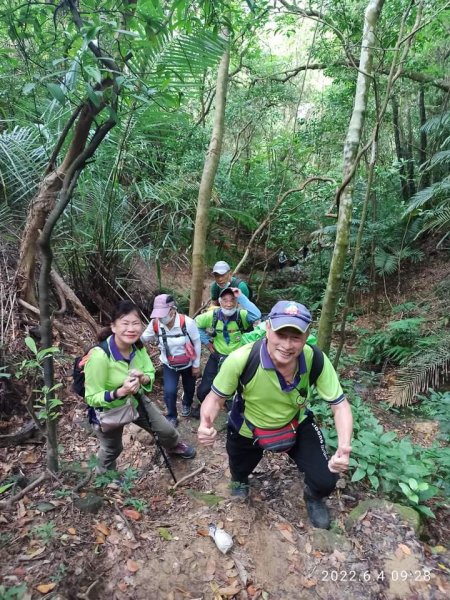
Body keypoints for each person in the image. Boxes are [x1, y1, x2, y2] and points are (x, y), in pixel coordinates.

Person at [197, 300, 353, 530]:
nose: (287, 345)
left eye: (296, 337)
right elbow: (215, 398)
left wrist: (343, 446)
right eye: (281, 334)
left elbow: (340, 405)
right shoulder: (242, 359)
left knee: (326, 478)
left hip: (295, 423)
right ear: (268, 328)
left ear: (307, 335)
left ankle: (313, 496)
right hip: (248, 427)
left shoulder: (314, 359)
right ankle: (240, 480)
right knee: (239, 469)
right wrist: (205, 423)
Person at [84, 300, 196, 474]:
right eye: (125, 323)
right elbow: (91, 397)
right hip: (109, 410)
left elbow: (150, 372)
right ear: (113, 327)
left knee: (167, 431)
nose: (131, 328)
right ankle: (104, 477)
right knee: (113, 449)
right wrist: (120, 392)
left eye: (136, 323)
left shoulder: (137, 346)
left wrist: (143, 378)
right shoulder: (99, 357)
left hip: (136, 400)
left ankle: (173, 446)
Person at [193, 287, 261, 415]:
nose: (229, 304)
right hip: (217, 356)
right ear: (220, 302)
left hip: (237, 359)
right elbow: (195, 324)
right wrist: (207, 342)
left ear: (236, 302)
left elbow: (256, 315)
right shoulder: (212, 316)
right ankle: (205, 404)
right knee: (204, 389)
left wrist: (241, 296)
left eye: (232, 300)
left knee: (234, 387)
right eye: (225, 300)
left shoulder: (241, 316)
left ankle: (230, 405)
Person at [141, 294, 201, 426]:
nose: (161, 317)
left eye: (164, 313)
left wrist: (196, 365)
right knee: (169, 391)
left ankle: (186, 403)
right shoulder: (156, 324)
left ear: (173, 310)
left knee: (190, 388)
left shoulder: (188, 323)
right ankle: (172, 415)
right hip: (169, 364)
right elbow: (143, 338)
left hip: (188, 363)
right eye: (158, 314)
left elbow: (197, 343)